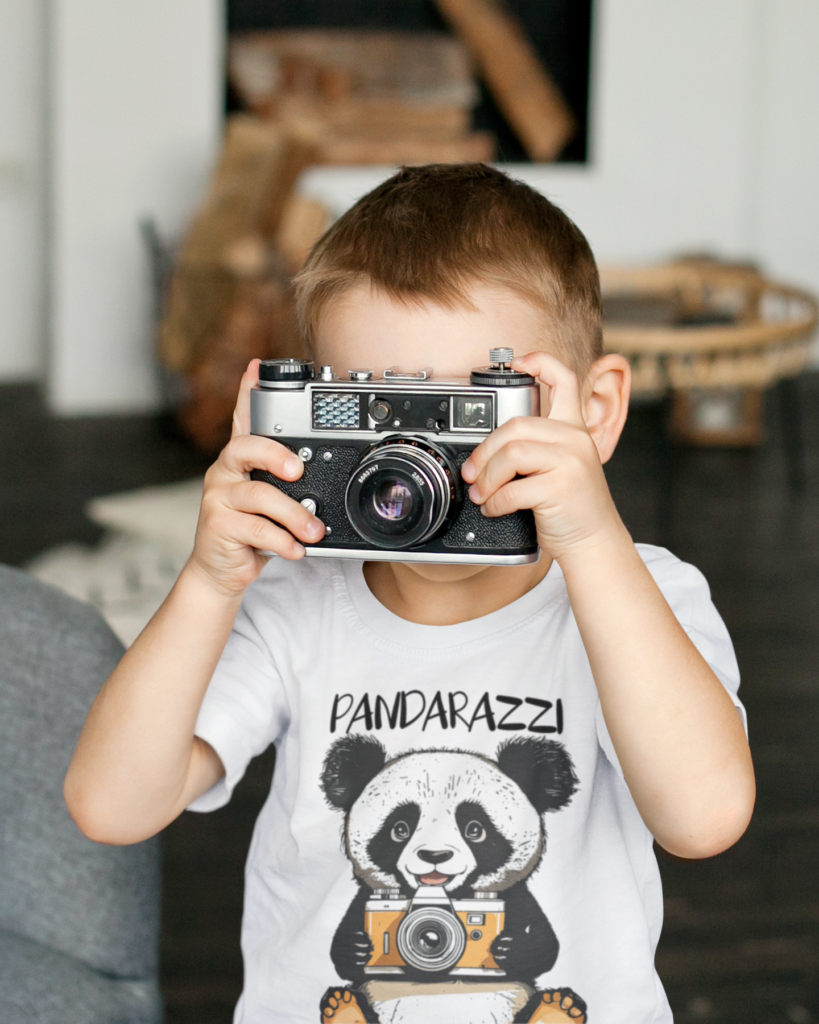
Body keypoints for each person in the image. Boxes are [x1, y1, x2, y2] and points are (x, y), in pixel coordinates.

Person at [65, 164, 755, 1024]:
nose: (416, 466)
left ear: (595, 412)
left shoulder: (642, 594)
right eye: (379, 410)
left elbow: (703, 818)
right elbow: (109, 805)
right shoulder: (294, 599)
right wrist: (211, 580)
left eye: (471, 409)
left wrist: (590, 540)